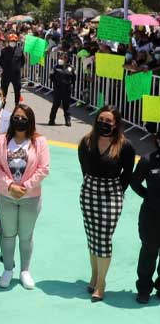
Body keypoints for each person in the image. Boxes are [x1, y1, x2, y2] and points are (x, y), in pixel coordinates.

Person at [78, 105, 135, 302]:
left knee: (103, 237)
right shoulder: (86, 142)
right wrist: (91, 185)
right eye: (101, 120)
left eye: (108, 121)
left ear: (116, 124)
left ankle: (101, 283)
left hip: (112, 194)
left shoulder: (125, 146)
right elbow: (84, 167)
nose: (103, 123)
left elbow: (127, 174)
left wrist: (117, 192)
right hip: (89, 192)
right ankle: (94, 275)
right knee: (92, 236)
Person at [0, 104, 50, 290]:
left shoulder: (39, 141)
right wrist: (10, 186)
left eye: (23, 118)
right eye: (16, 117)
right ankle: (8, 269)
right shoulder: (2, 140)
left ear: (30, 120)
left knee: (26, 235)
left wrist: (24, 186)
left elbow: (44, 168)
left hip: (30, 197)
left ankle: (25, 270)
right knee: (8, 234)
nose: (19, 120)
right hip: (5, 195)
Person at [130, 129, 160, 304]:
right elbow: (135, 183)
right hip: (151, 216)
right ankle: (144, 289)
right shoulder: (148, 160)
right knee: (149, 252)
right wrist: (148, 196)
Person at [49, 53, 75, 126]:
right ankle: (51, 120)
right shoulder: (56, 67)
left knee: (66, 106)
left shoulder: (71, 68)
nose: (62, 59)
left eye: (64, 58)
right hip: (58, 89)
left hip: (67, 89)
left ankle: (68, 121)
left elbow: (73, 78)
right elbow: (51, 76)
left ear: (67, 59)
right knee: (55, 105)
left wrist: (69, 84)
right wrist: (56, 83)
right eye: (62, 58)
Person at [0, 33, 25, 106]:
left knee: (17, 91)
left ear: (16, 42)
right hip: (6, 74)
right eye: (11, 41)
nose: (12, 42)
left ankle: (17, 106)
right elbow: (0, 61)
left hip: (16, 75)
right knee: (3, 91)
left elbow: (22, 61)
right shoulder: (4, 51)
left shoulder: (20, 51)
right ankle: (2, 106)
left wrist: (17, 68)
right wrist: (5, 68)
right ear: (8, 41)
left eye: (14, 41)